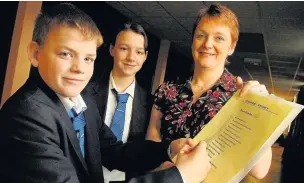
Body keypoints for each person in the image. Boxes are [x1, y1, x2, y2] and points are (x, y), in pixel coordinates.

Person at [0, 3, 211, 183]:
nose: (79, 68)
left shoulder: (81, 100)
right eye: (66, 54)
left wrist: (168, 148)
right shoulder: (26, 116)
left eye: (88, 59)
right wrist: (180, 176)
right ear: (35, 54)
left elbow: (114, 151)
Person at [146, 4, 272, 179]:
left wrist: (261, 109)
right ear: (193, 41)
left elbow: (259, 171)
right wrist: (165, 168)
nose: (208, 44)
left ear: (231, 46)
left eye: (219, 38)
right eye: (201, 35)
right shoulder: (167, 90)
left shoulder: (241, 96)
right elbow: (151, 142)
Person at [88, 23, 153, 182]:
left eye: (138, 52)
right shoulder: (85, 90)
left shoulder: (151, 104)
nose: (131, 57)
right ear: (112, 50)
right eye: (124, 49)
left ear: (145, 56)